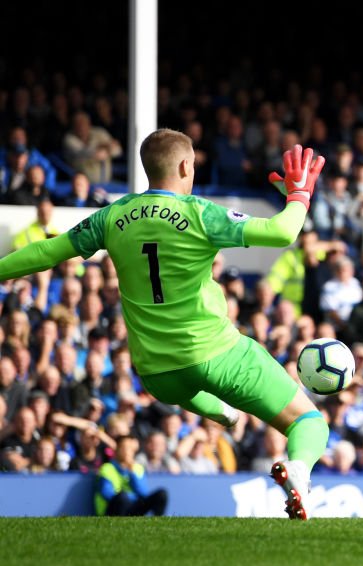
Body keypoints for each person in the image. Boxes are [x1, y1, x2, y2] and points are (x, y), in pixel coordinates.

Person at [0, 130, 330, 520]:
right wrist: (299, 195)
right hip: (216, 355)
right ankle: (298, 471)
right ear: (186, 166)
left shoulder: (112, 216)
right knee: (309, 422)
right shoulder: (199, 214)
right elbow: (283, 232)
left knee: (191, 388)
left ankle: (224, 414)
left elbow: (46, 251)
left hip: (158, 375)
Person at [94, 434, 168, 516]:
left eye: (130, 449)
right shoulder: (106, 468)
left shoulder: (137, 468)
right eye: (124, 448)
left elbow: (143, 493)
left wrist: (132, 472)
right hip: (112, 510)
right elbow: (107, 493)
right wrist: (129, 497)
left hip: (132, 508)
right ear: (117, 449)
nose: (127, 451)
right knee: (122, 497)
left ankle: (157, 524)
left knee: (161, 494)